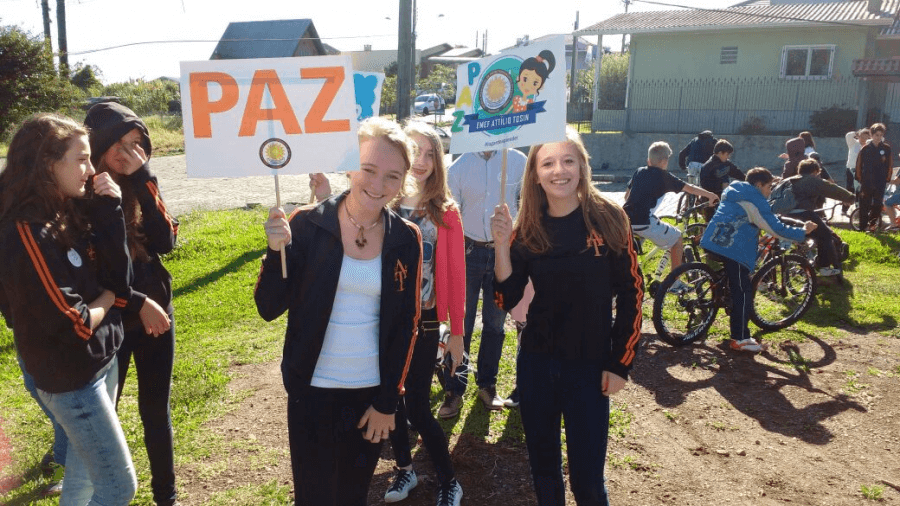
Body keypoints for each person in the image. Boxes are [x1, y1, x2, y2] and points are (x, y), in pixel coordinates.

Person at [255, 116, 422, 506]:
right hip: (310, 391)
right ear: (349, 165)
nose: (378, 185)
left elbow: (405, 325)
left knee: (351, 496)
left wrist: (387, 403)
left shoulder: (405, 238)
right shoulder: (306, 223)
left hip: (369, 398)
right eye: (369, 169)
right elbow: (268, 307)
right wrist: (275, 249)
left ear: (404, 182)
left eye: (393, 176)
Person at [490, 127, 643, 505]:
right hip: (537, 363)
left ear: (581, 165)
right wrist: (501, 246)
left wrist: (620, 362)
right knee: (545, 476)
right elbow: (506, 296)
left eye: (568, 160)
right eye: (548, 162)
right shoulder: (528, 226)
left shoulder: (609, 218)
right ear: (536, 173)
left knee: (588, 482)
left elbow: (632, 293)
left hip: (589, 366)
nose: (559, 170)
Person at [0, 113, 137, 504]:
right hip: (75, 382)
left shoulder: (63, 212)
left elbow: (120, 281)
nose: (92, 170)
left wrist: (111, 212)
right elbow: (75, 323)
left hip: (101, 362)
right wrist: (109, 300)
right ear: (47, 163)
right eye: (81, 159)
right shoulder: (25, 233)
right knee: (118, 486)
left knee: (83, 480)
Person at [84, 102, 180, 506]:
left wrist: (144, 179)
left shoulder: (141, 183)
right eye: (119, 144)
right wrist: (136, 302)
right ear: (98, 146)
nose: (129, 153)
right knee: (103, 413)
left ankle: (167, 495)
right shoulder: (80, 192)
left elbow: (166, 241)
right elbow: (94, 272)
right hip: (111, 320)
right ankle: (91, 488)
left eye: (137, 144)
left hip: (156, 316)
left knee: (156, 408)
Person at [382, 122, 465, 506]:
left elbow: (456, 276)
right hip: (383, 320)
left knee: (416, 404)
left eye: (430, 153)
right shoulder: (384, 203)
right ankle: (405, 469)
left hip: (426, 322)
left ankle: (450, 480)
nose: (422, 161)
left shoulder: (445, 211)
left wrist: (458, 332)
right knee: (390, 398)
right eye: (415, 151)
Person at [439, 147, 527, 417]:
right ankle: (454, 390)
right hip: (467, 252)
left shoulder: (518, 161)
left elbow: (525, 205)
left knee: (495, 325)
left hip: (504, 254)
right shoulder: (458, 168)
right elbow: (451, 215)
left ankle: (487, 385)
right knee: (460, 326)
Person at [701, 168, 817, 353]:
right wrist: (802, 231)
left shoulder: (735, 190)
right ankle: (740, 339)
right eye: (769, 186)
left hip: (711, 241)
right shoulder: (755, 200)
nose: (770, 191)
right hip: (733, 249)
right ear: (758, 185)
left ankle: (719, 302)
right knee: (743, 291)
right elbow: (774, 228)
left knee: (732, 283)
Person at [623, 141, 719, 285]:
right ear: (664, 161)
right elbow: (691, 189)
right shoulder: (664, 176)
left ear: (649, 159)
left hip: (624, 219)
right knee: (677, 238)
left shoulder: (639, 171)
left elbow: (626, 197)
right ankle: (675, 282)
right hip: (643, 222)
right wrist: (711, 195)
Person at [786, 159, 855, 277]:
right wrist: (850, 198)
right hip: (804, 214)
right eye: (817, 173)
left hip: (783, 216)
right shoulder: (812, 180)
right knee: (826, 235)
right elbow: (832, 189)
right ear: (814, 171)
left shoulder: (788, 180)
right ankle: (825, 268)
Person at [856, 123, 893, 232]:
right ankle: (862, 227)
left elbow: (890, 165)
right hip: (866, 181)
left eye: (880, 135)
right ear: (871, 135)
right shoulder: (865, 149)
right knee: (864, 205)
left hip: (880, 182)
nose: (878, 137)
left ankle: (872, 224)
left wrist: (887, 178)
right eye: (876, 135)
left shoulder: (886, 148)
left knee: (878, 205)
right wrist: (859, 178)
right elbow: (859, 165)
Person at [698, 139, 745, 221]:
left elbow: (738, 173)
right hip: (711, 199)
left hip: (725, 197)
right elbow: (704, 184)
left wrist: (751, 180)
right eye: (727, 154)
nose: (728, 157)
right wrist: (721, 185)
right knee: (712, 222)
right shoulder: (708, 166)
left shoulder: (727, 164)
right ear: (720, 153)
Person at [843, 128, 870, 214]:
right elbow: (848, 135)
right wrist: (857, 133)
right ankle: (844, 209)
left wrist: (872, 135)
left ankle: (858, 209)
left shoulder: (869, 145)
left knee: (860, 189)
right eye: (862, 137)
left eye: (866, 138)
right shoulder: (853, 143)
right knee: (850, 188)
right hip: (851, 168)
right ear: (858, 137)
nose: (864, 140)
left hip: (863, 170)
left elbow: (882, 139)